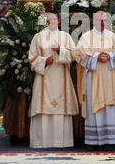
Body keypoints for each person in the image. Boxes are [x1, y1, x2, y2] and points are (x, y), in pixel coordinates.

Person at [28, 12, 79, 148]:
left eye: (55, 19)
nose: (53, 22)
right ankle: (42, 142)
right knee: (43, 107)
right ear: (46, 22)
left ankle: (61, 141)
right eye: (50, 20)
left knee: (61, 107)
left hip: (61, 76)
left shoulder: (65, 36)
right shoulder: (38, 37)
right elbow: (32, 57)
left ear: (59, 21)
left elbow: (74, 55)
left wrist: (60, 50)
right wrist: (44, 61)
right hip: (44, 77)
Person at [75, 11, 115, 149]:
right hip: (93, 76)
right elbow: (79, 55)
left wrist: (110, 56)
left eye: (104, 21)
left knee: (109, 106)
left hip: (108, 75)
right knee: (93, 106)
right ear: (94, 21)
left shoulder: (112, 36)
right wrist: (96, 57)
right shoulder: (86, 37)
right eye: (99, 20)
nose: (102, 23)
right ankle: (93, 141)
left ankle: (110, 141)